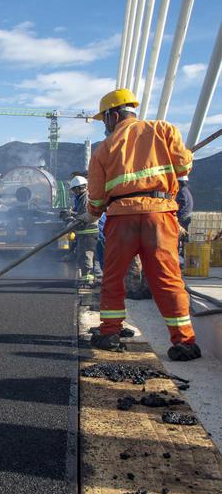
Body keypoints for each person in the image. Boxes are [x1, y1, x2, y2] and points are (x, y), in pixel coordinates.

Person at [83, 88, 200, 361]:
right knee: (168, 280)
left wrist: (91, 213)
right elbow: (182, 167)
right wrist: (187, 157)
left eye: (104, 120)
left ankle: (110, 333)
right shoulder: (163, 129)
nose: (105, 126)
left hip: (121, 219)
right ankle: (184, 342)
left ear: (114, 115)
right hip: (158, 216)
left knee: (113, 279)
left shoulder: (104, 149)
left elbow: (97, 195)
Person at [68, 175, 101, 285]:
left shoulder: (85, 198)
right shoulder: (82, 197)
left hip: (88, 232)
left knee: (86, 256)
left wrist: (70, 215)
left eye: (74, 190)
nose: (73, 192)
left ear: (78, 188)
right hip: (85, 233)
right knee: (86, 256)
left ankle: (88, 280)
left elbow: (84, 216)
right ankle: (90, 278)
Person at [176, 175, 193, 265]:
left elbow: (182, 206)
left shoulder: (182, 192)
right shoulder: (185, 191)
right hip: (186, 218)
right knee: (184, 239)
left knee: (177, 239)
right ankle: (183, 258)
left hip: (183, 219)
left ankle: (179, 260)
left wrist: (177, 218)